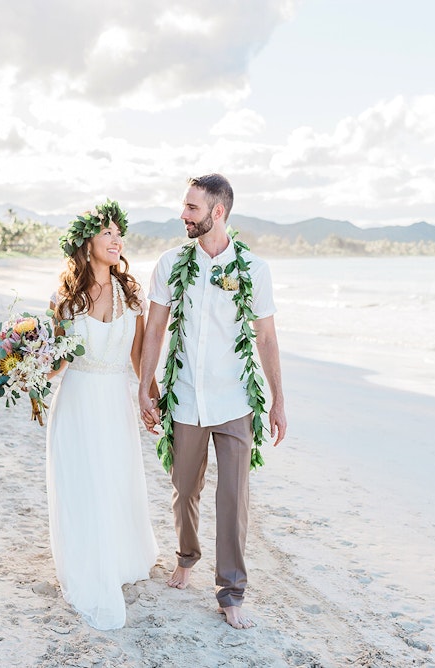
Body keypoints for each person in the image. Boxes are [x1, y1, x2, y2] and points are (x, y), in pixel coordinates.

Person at [139, 174, 287, 630]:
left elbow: (265, 338)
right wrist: (145, 385)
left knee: (234, 496)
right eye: (185, 207)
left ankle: (230, 590)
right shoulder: (169, 263)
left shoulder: (253, 269)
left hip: (235, 400)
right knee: (184, 489)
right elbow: (155, 329)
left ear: (216, 212)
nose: (183, 215)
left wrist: (278, 400)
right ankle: (187, 556)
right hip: (184, 398)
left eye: (191, 208)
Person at [45, 199, 158, 630]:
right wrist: (24, 367)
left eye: (118, 233)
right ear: (86, 242)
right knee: (83, 482)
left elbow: (138, 360)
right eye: (107, 232)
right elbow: (56, 363)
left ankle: (120, 555)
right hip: (75, 400)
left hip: (114, 401)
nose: (116, 240)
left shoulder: (132, 294)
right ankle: (88, 562)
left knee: (113, 480)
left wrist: (152, 398)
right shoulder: (64, 298)